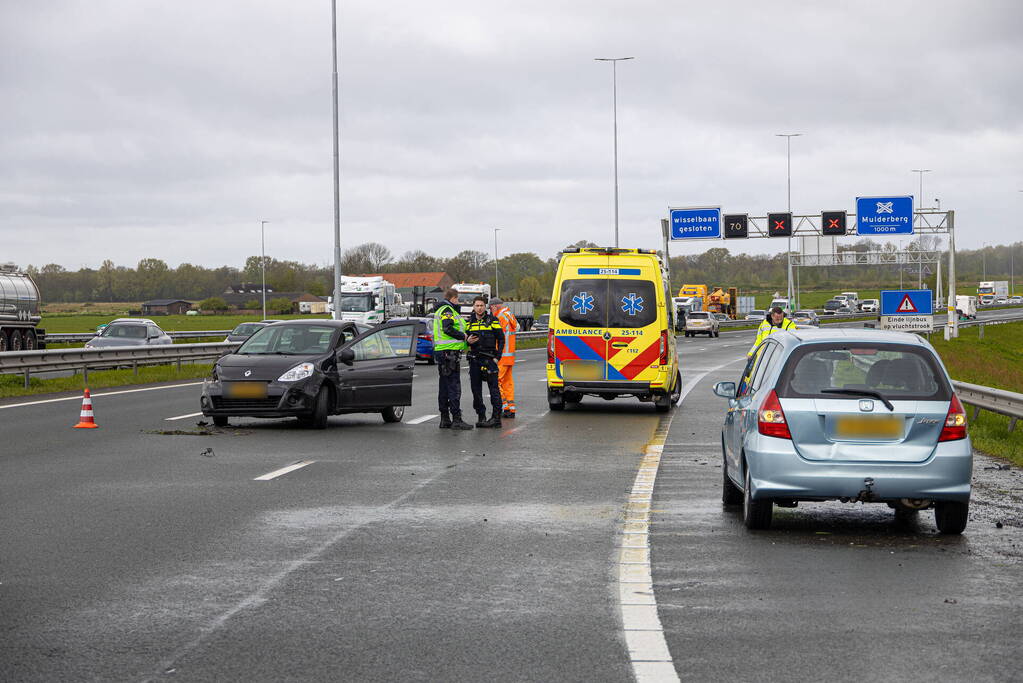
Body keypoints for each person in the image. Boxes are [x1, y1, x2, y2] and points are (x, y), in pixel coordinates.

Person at [433, 288, 474, 430]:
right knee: (453, 386)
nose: (459, 302)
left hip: (444, 353)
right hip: (449, 353)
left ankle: (445, 419)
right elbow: (448, 328)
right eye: (458, 299)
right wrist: (464, 337)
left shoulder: (442, 310)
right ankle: (456, 419)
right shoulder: (447, 310)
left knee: (444, 386)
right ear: (453, 298)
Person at [465, 296, 505, 428]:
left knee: (494, 389)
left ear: (485, 306)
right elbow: (464, 340)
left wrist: (497, 357)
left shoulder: (493, 320)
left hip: (489, 359)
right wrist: (467, 342)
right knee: (475, 390)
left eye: (481, 305)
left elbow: (501, 339)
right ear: (473, 307)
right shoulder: (469, 322)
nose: (479, 308)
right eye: (477, 305)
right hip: (475, 359)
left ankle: (496, 418)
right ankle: (481, 416)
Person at [489, 297, 518, 418]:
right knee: (507, 383)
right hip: (509, 356)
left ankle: (504, 407)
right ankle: (510, 409)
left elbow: (495, 336)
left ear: (495, 306)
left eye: (491, 308)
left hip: (501, 356)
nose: (490, 311)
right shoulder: (510, 315)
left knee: (496, 381)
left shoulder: (500, 317)